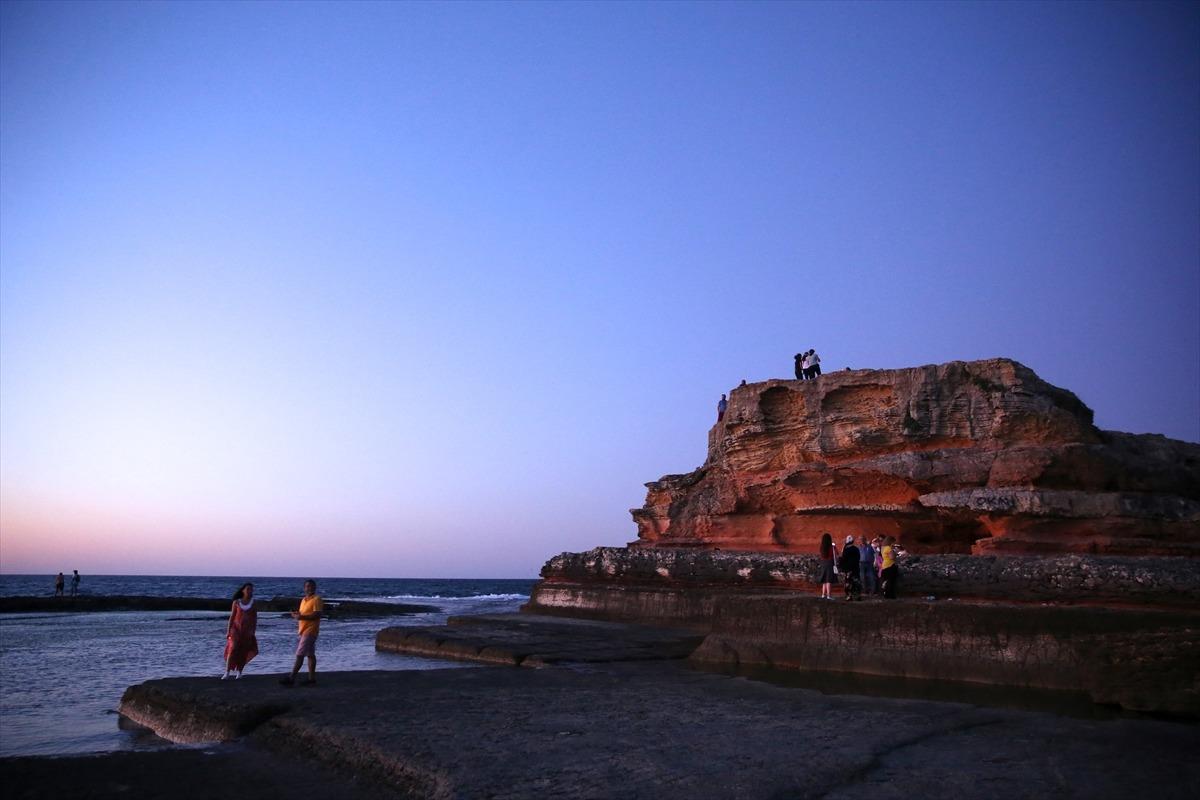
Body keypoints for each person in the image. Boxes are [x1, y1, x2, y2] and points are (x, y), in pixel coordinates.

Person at [281, 579, 323, 686]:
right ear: (304, 588)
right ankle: (311, 679)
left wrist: (301, 617)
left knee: (300, 654)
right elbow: (302, 613)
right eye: (307, 586)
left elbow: (317, 614)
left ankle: (291, 678)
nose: (309, 588)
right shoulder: (303, 600)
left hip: (310, 630)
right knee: (310, 655)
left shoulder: (317, 599)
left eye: (312, 586)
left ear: (315, 588)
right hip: (303, 630)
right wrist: (296, 614)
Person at [222, 582, 258, 680]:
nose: (249, 591)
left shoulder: (253, 603)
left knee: (243, 651)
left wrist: (253, 631)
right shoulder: (237, 602)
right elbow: (232, 617)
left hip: (247, 630)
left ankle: (239, 672)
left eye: (251, 589)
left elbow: (254, 618)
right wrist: (228, 630)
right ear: (243, 590)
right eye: (248, 589)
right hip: (235, 629)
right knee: (232, 648)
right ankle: (227, 672)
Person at [838, 535, 861, 600]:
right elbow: (858, 558)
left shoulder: (846, 549)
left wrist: (841, 565)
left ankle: (849, 596)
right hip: (855, 568)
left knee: (848, 582)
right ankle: (857, 596)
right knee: (856, 582)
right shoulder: (856, 549)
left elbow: (843, 559)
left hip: (848, 569)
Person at [817, 532, 838, 599]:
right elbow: (837, 553)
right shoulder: (831, 547)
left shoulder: (821, 547)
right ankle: (829, 595)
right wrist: (834, 546)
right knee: (829, 580)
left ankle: (823, 594)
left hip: (823, 563)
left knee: (824, 580)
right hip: (830, 563)